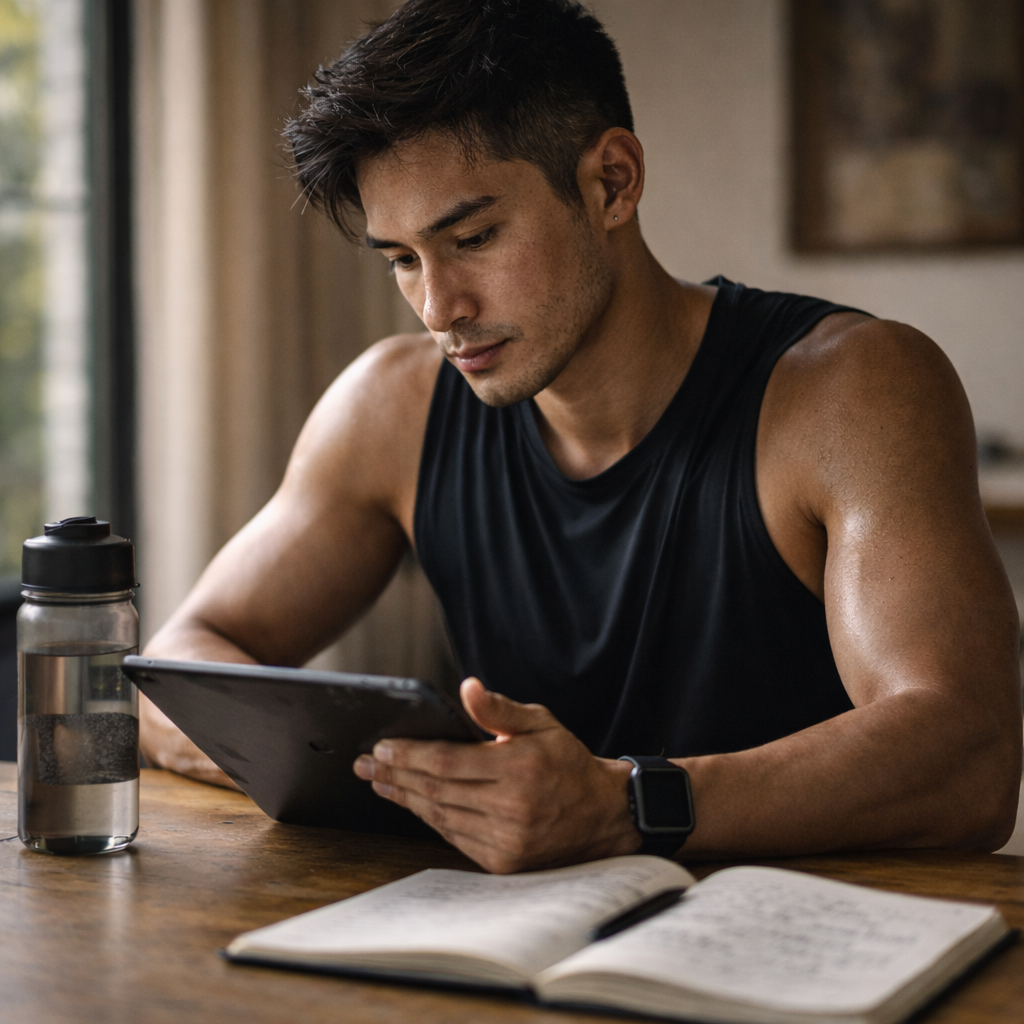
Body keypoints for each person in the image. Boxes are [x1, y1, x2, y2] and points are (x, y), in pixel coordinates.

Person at [140, 0, 1022, 873]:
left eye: (474, 237)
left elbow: (967, 760)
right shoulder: (391, 407)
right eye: (403, 259)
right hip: (516, 946)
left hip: (812, 959)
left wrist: (623, 806)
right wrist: (410, 777)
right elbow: (184, 663)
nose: (439, 308)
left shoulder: (850, 388)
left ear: (613, 181)